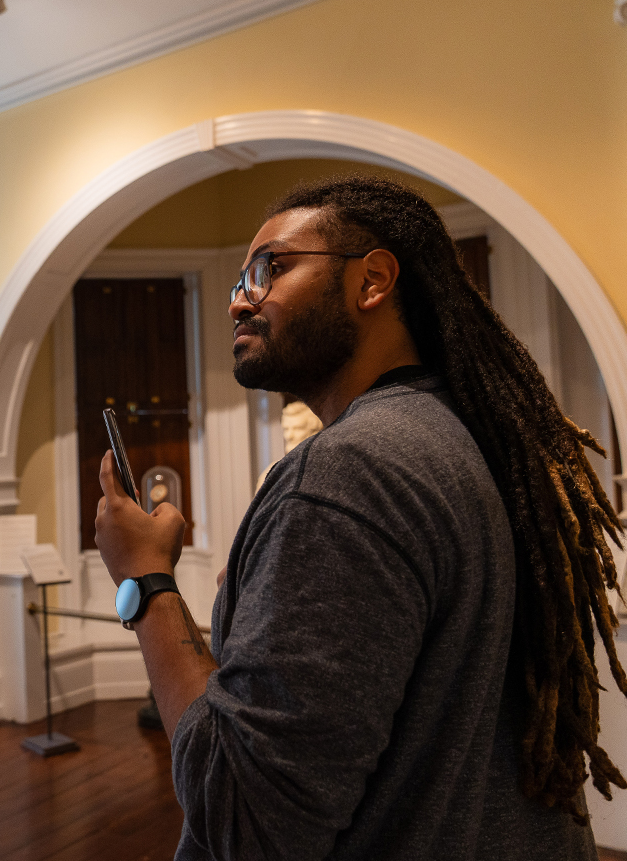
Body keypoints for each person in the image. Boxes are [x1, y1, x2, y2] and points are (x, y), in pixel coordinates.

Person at [95, 175, 626, 860]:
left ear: (372, 280)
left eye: (269, 269)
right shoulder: (479, 439)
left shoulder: (347, 474)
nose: (238, 301)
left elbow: (246, 823)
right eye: (236, 280)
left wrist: (145, 579)